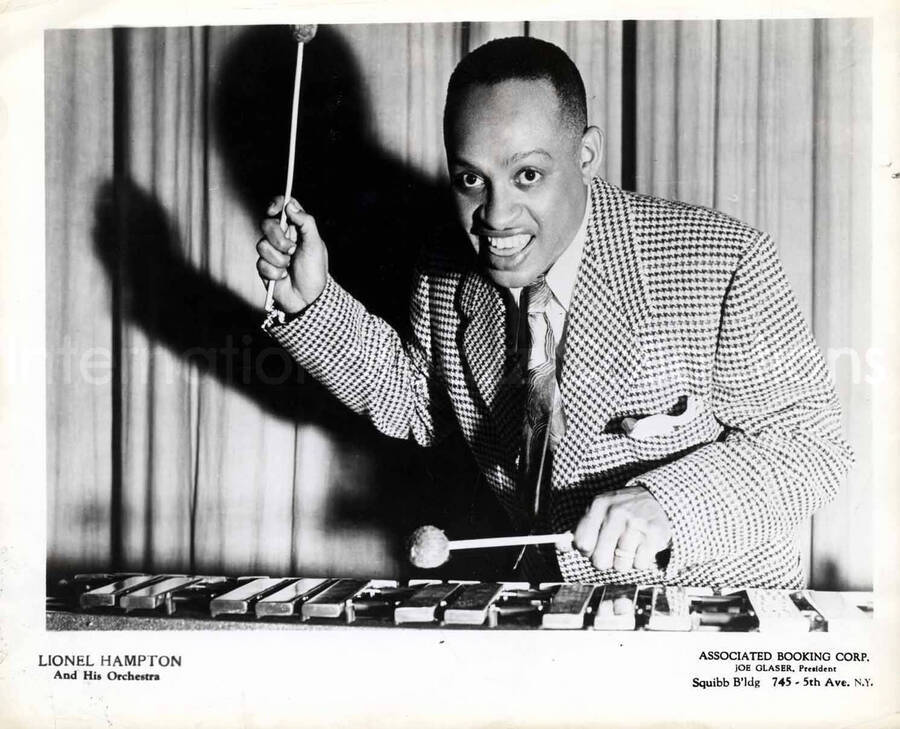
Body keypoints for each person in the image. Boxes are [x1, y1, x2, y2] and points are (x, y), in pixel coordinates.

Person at [255, 36, 852, 587]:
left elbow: (814, 448)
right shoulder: (444, 264)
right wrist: (314, 302)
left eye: (528, 175)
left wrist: (671, 503)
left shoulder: (723, 261)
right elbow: (419, 404)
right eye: (470, 179)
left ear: (587, 154)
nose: (494, 215)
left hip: (712, 615)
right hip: (551, 615)